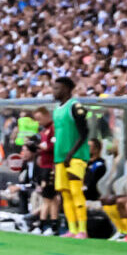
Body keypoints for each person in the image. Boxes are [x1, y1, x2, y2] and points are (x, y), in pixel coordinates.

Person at [50, 76, 92, 238]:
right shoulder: (57, 109)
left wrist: (71, 153)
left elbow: (84, 133)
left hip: (75, 156)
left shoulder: (75, 106)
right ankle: (72, 229)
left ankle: (83, 229)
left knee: (75, 191)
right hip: (60, 157)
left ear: (67, 89)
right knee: (65, 194)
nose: (54, 92)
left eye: (57, 88)